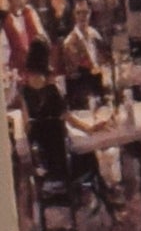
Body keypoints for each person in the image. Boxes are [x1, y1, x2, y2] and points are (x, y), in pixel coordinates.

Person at [21, 38, 115, 216]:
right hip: (66, 166)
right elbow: (68, 118)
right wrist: (90, 128)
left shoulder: (24, 92)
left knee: (82, 154)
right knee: (90, 156)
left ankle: (102, 200)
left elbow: (28, 127)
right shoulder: (51, 89)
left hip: (47, 168)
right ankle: (105, 201)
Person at [59, 0, 110, 109]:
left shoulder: (95, 35)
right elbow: (78, 70)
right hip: (82, 100)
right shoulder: (70, 42)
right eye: (79, 13)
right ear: (74, 15)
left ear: (90, 13)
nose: (82, 16)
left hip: (100, 93)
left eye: (85, 12)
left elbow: (104, 59)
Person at [3, 0, 50, 79]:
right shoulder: (6, 21)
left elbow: (42, 38)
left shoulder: (30, 13)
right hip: (18, 71)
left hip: (37, 67)